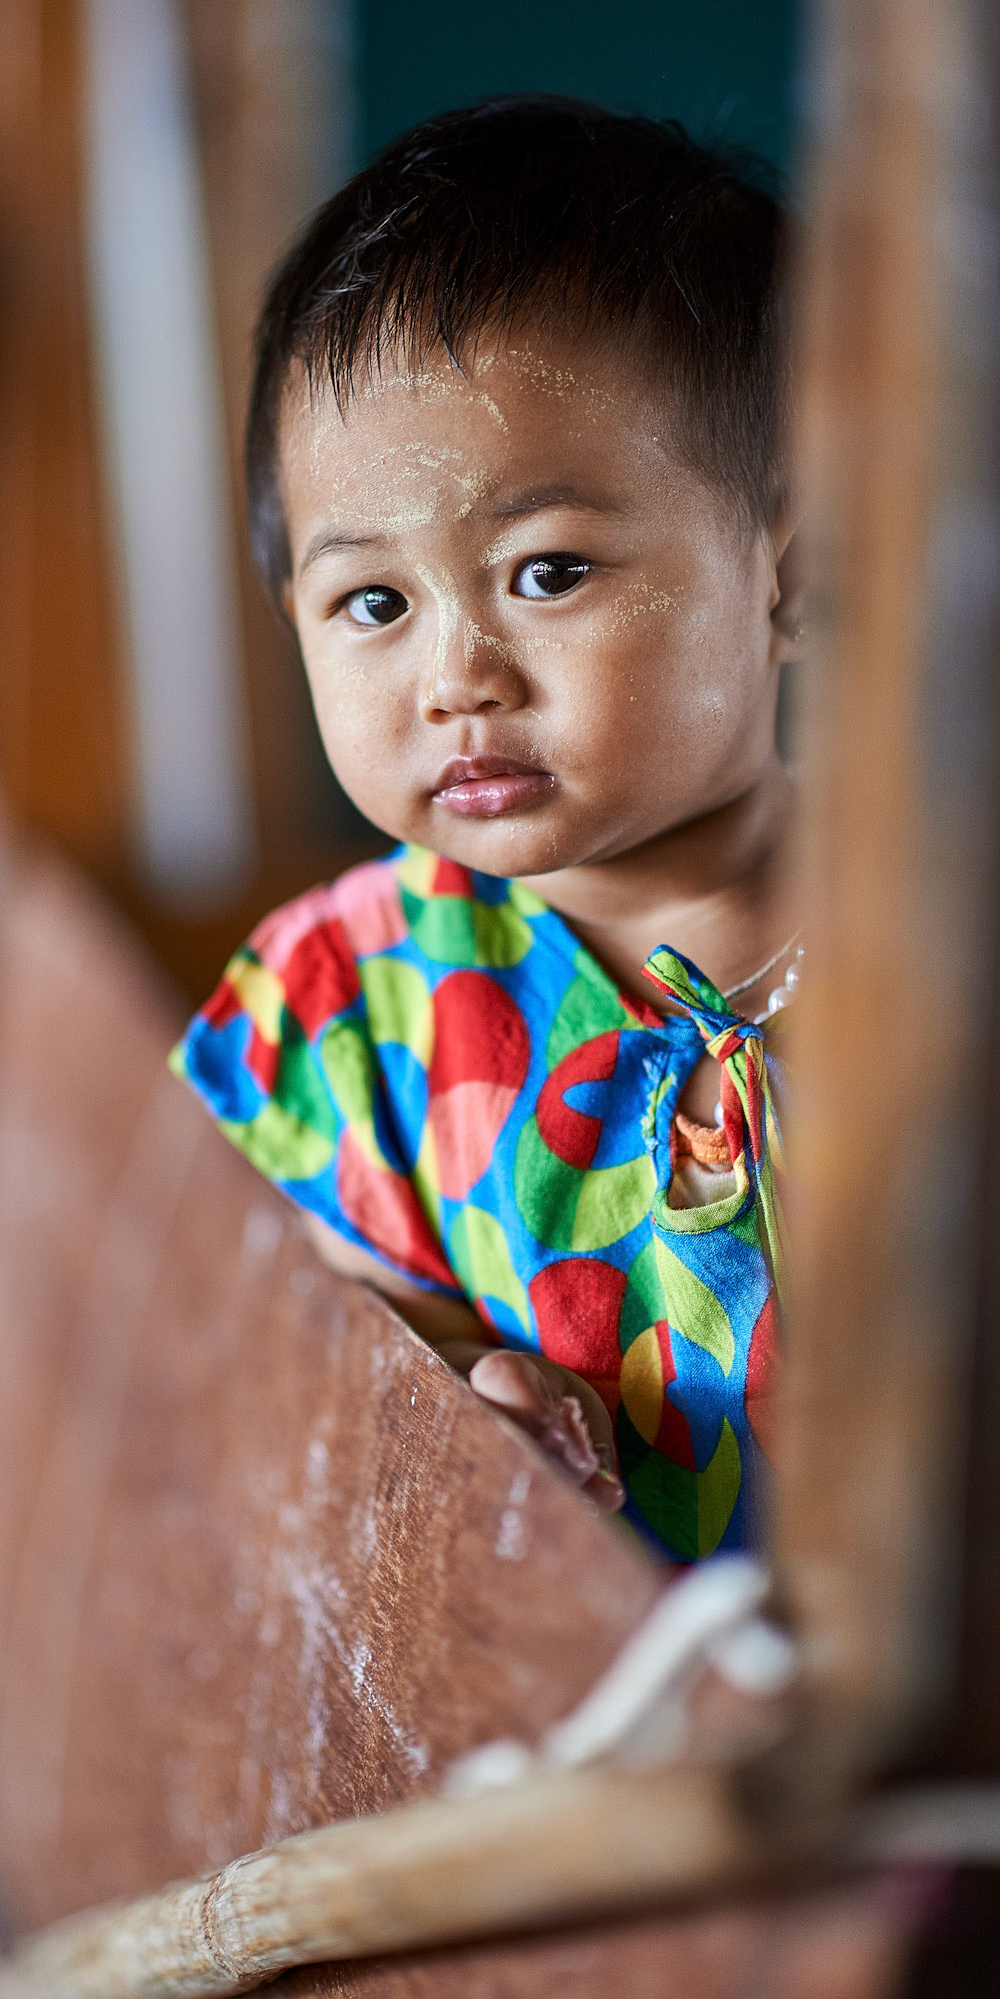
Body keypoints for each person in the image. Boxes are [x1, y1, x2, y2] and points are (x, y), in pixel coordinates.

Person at [172, 97, 801, 1563]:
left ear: (793, 573)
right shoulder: (350, 1014)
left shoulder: (979, 944)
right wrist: (451, 1397)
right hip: (565, 1738)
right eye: (375, 604)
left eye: (548, 569)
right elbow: (307, 1350)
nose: (455, 678)